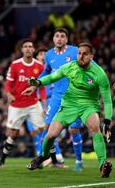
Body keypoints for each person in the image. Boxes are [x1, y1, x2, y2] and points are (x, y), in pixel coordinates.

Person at [24, 42, 113, 178]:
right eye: (79, 53)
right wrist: (38, 82)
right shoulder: (70, 67)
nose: (81, 56)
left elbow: (107, 100)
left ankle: (103, 165)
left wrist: (107, 120)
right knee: (50, 135)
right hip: (69, 105)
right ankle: (43, 156)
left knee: (95, 128)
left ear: (91, 56)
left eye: (84, 54)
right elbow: (53, 77)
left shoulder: (99, 74)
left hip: (88, 105)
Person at [0, 39, 46, 168]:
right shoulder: (15, 64)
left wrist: (45, 105)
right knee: (14, 134)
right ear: (22, 49)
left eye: (30, 46)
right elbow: (8, 83)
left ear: (33, 49)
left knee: (44, 130)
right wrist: (9, 94)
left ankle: (51, 160)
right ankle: (2, 160)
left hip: (34, 104)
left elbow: (42, 87)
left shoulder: (39, 66)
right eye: (25, 46)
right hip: (17, 105)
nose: (28, 48)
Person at [39, 28, 82, 170]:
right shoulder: (49, 54)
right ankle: (43, 158)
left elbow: (87, 65)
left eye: (62, 36)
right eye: (56, 36)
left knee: (74, 130)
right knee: (47, 127)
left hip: (74, 96)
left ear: (66, 40)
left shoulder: (75, 51)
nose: (59, 39)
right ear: (53, 39)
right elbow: (46, 71)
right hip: (56, 96)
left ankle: (78, 161)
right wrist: (36, 82)